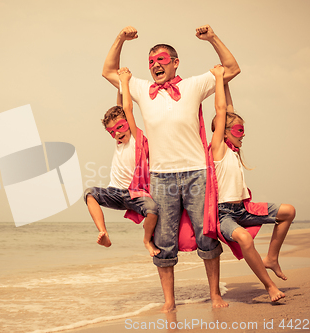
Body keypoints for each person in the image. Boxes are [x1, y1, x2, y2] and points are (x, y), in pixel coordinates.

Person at [102, 25, 241, 311]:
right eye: (151, 62)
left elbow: (232, 67)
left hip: (197, 173)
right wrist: (120, 39)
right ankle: (169, 301)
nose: (155, 66)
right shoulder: (141, 89)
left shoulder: (194, 84)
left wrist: (212, 38)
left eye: (161, 60)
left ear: (175, 62)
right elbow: (108, 71)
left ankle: (215, 294)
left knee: (206, 234)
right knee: (163, 240)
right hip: (160, 177)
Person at [210, 64, 296, 302]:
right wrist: (217, 78)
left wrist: (226, 82)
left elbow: (227, 109)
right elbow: (220, 112)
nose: (243, 134)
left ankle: (271, 258)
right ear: (224, 132)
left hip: (243, 209)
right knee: (245, 239)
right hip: (224, 215)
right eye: (239, 130)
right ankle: (269, 287)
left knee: (288, 212)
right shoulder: (218, 150)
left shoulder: (234, 149)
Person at [84, 67, 160, 257]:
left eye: (120, 127)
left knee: (152, 210)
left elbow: (126, 108)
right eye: (112, 132)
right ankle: (104, 233)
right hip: (115, 193)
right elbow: (120, 107)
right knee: (89, 193)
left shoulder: (136, 138)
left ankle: (146, 240)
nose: (117, 133)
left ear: (128, 123)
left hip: (135, 194)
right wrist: (119, 84)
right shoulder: (119, 142)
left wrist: (125, 82)